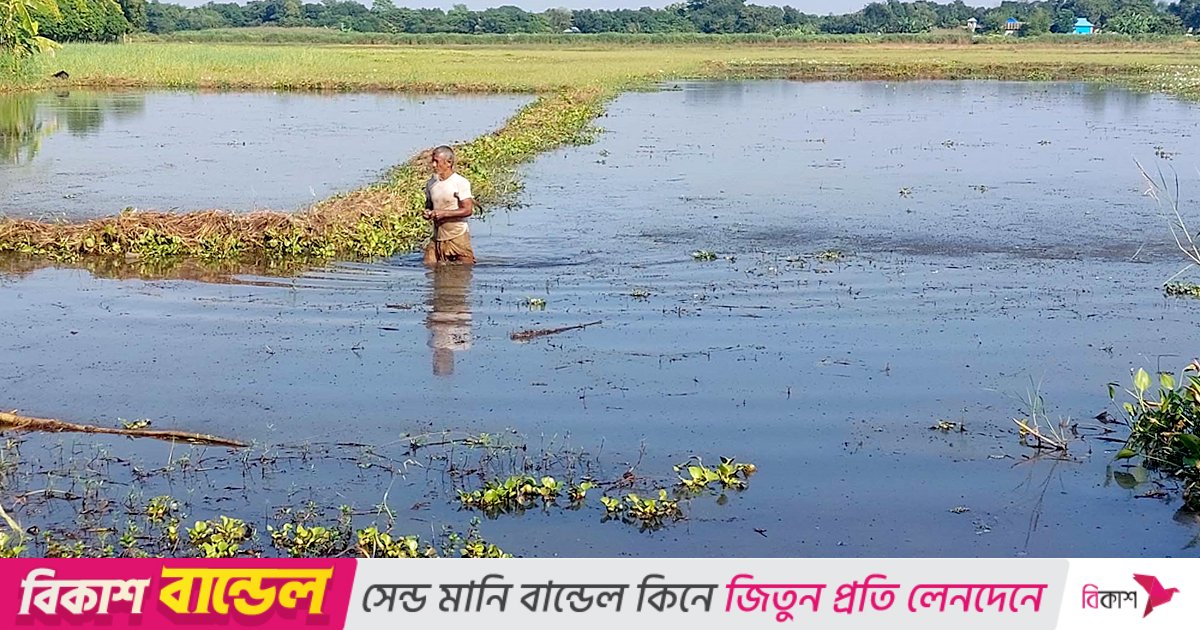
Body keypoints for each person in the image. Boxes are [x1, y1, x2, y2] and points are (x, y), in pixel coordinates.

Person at [423, 145, 476, 266]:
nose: (433, 165)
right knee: (428, 265)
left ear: (449, 162)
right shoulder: (431, 183)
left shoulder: (460, 182)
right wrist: (427, 212)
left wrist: (444, 214)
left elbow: (467, 210)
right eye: (433, 161)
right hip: (438, 235)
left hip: (457, 235)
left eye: (437, 161)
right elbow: (429, 205)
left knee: (465, 269)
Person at [426, 264, 473, 376]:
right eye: (439, 362)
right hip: (453, 305)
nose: (437, 358)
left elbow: (430, 322)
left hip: (446, 306)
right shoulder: (464, 345)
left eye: (437, 361)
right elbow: (466, 317)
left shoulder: (433, 344)